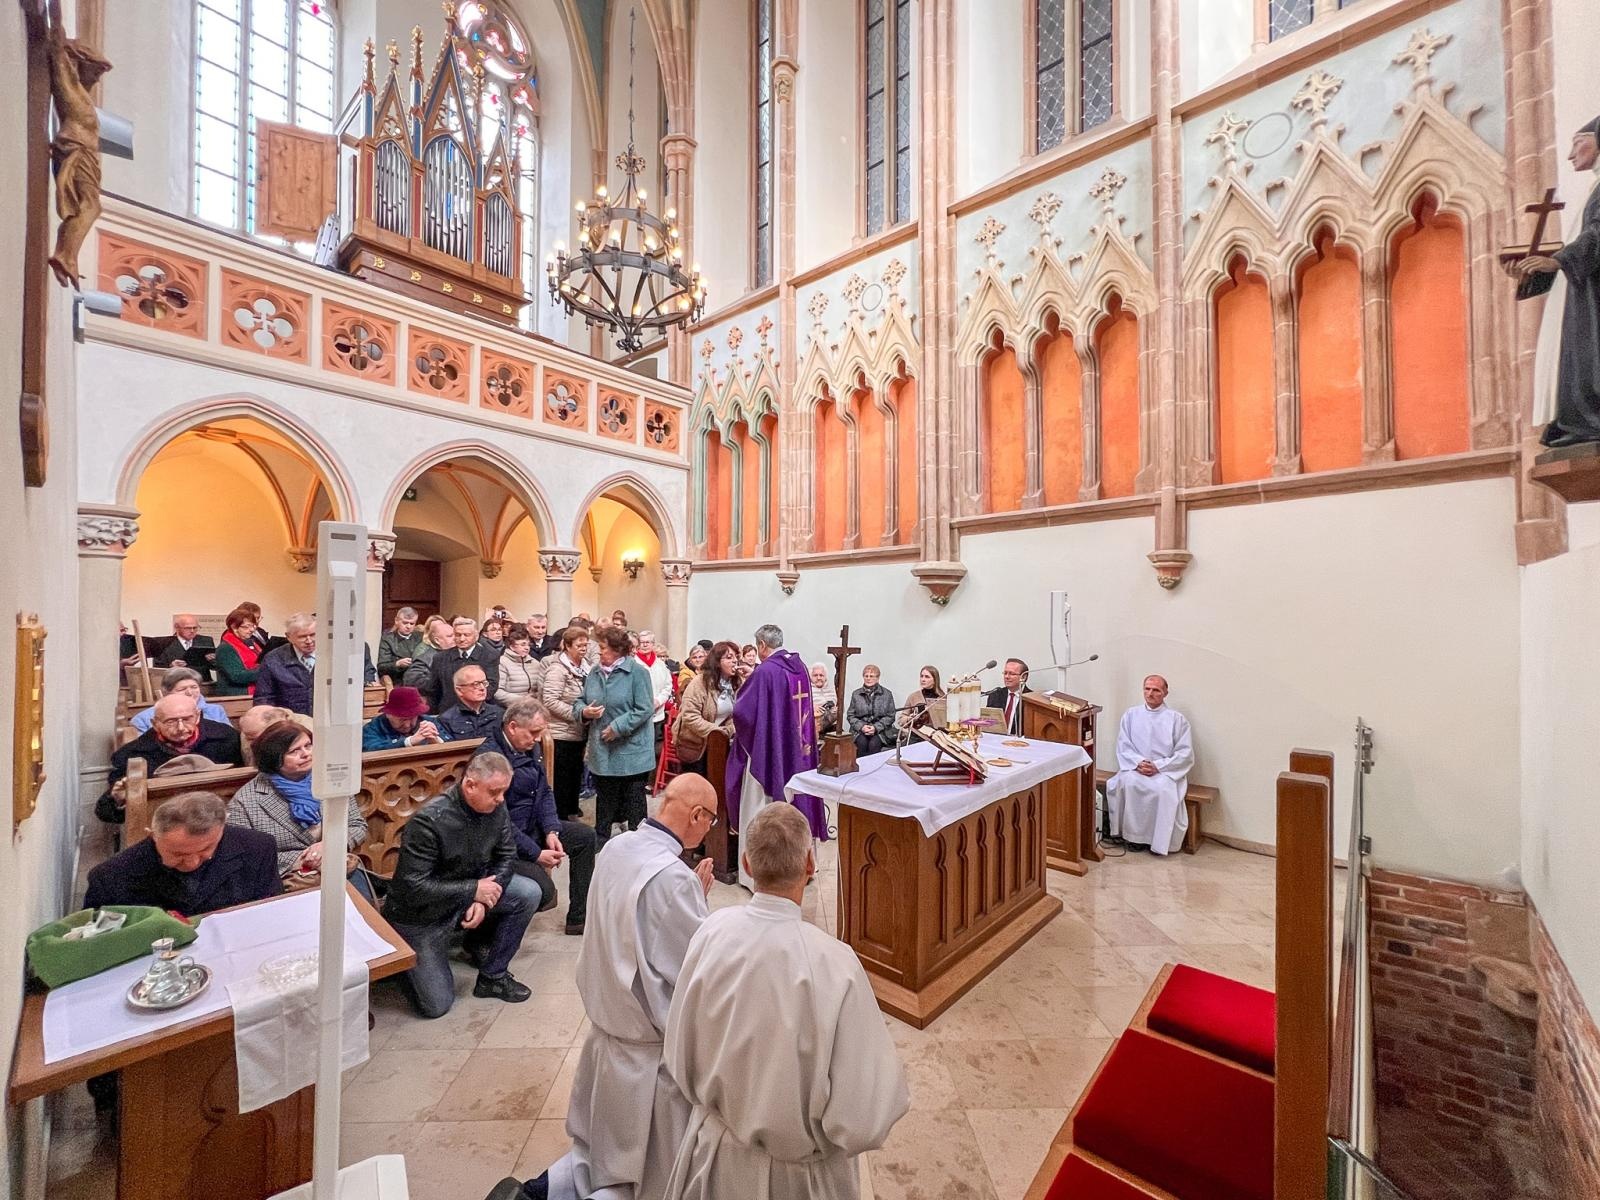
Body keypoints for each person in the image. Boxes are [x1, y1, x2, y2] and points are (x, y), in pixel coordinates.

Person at [660, 803, 910, 1200]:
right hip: (799, 1181)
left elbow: (677, 1049)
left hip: (714, 1158)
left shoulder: (712, 932)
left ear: (747, 862)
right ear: (810, 864)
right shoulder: (835, 963)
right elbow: (867, 1112)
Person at [494, 774, 719, 1200]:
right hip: (649, 1060)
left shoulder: (617, 847)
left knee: (593, 1154)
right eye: (709, 821)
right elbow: (695, 971)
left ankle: (532, 1194)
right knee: (641, 1177)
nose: (707, 829)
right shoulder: (673, 878)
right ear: (695, 815)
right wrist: (698, 901)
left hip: (606, 1035)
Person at [381, 752, 538, 1017]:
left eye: (503, 792)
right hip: (421, 915)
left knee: (528, 892)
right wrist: (473, 890)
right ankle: (402, 965)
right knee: (437, 1006)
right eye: (495, 792)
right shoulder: (428, 821)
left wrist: (480, 897)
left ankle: (493, 976)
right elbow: (413, 886)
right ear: (470, 785)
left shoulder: (495, 807)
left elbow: (507, 856)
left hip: (465, 892)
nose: (501, 799)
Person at [1513, 115, 1600, 448]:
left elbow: (1596, 235)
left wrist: (1559, 259)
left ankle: (1586, 419)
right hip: (1582, 296)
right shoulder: (1594, 188)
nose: (1569, 155)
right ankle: (1578, 420)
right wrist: (1536, 275)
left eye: (1577, 142)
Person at [486, 698, 597, 935]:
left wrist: (552, 830)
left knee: (585, 837)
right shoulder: (490, 759)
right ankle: (482, 939)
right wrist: (536, 854)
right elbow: (499, 822)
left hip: (533, 828)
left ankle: (578, 919)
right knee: (544, 892)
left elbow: (545, 791)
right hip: (503, 843)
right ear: (513, 727)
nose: (537, 739)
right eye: (533, 733)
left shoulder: (528, 746)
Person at [727, 625, 825, 892]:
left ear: (760, 645)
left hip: (771, 753)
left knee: (761, 807)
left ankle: (757, 874)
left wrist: (748, 683)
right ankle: (805, 865)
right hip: (798, 750)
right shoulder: (799, 666)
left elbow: (743, 713)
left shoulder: (766, 671)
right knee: (798, 801)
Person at [227, 722, 372, 896]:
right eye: (294, 751)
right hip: (286, 880)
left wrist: (331, 845)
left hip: (339, 867)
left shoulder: (333, 780)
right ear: (274, 758)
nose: (306, 754)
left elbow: (357, 825)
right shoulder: (246, 801)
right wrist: (305, 858)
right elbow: (244, 856)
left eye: (308, 746)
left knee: (364, 913)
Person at [85, 790, 282, 915]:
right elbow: (102, 943)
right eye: (178, 854)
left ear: (222, 830)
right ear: (152, 835)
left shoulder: (258, 847)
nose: (192, 862)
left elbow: (271, 912)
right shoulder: (109, 877)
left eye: (205, 849)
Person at [98, 694, 244, 824]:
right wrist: (119, 800)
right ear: (155, 723)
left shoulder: (226, 738)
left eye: (187, 719)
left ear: (198, 716)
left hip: (220, 820)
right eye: (171, 721)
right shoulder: (134, 754)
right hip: (167, 826)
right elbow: (105, 813)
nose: (181, 727)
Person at [581, 624, 656, 844]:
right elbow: (582, 700)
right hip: (602, 748)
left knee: (634, 801)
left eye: (603, 647)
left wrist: (618, 727)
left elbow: (644, 708)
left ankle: (639, 844)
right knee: (604, 799)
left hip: (631, 750)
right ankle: (602, 841)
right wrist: (583, 711)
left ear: (617, 650)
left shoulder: (637, 672)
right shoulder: (594, 672)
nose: (600, 652)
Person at [1106, 675, 1195, 855]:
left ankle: (1158, 841)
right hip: (1137, 768)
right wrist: (1139, 763)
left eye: (1156, 690)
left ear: (1165, 693)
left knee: (1163, 790)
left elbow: (1184, 753)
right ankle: (1133, 838)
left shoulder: (1177, 720)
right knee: (1128, 782)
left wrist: (1158, 766)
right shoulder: (1131, 715)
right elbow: (1124, 745)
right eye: (1147, 689)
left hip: (1165, 772)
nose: (1150, 693)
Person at [542, 625, 592, 820]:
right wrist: (578, 713)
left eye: (586, 644)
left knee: (574, 776)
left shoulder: (585, 666)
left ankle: (571, 813)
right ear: (567, 646)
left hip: (578, 731)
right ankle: (560, 818)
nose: (584, 648)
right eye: (579, 645)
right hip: (560, 732)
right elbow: (549, 700)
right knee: (561, 779)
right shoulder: (557, 669)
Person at [674, 640, 740, 778]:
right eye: (729, 658)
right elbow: (690, 716)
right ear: (717, 662)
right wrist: (716, 731)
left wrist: (728, 729)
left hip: (719, 744)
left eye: (736, 657)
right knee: (696, 788)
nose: (735, 661)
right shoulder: (700, 682)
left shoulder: (735, 683)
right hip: (695, 745)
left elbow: (734, 714)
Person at [425, 616, 501, 712]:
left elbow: (491, 686)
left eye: (467, 635)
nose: (462, 639)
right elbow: (434, 690)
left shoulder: (489, 656)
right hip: (448, 712)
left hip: (479, 711)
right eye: (458, 635)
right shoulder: (440, 658)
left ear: (476, 636)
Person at [129, 665, 229, 732]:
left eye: (194, 687)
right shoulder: (143, 719)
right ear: (167, 692)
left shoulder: (216, 711)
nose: (189, 693)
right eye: (182, 689)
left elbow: (229, 738)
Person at [253, 613, 317, 715]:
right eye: (302, 637)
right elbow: (264, 698)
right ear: (289, 637)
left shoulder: (332, 656)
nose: (309, 641)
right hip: (290, 724)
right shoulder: (274, 659)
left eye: (313, 635)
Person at [362, 686, 444, 750]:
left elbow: (451, 742)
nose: (407, 725)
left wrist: (436, 741)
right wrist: (408, 742)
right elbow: (370, 748)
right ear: (388, 714)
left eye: (412, 718)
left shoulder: (429, 722)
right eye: (402, 720)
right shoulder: (373, 728)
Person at [437, 664, 504, 741]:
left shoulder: (499, 713)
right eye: (475, 684)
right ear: (459, 690)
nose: (482, 688)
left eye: (484, 683)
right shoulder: (446, 720)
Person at [636, 630, 674, 763]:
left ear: (653, 644)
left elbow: (667, 686)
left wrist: (658, 701)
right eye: (642, 642)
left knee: (652, 749)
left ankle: (649, 778)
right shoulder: (634, 663)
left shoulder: (660, 664)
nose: (645, 645)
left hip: (657, 713)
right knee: (639, 749)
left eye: (648, 642)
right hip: (639, 714)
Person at [847, 665, 896, 756]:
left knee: (874, 744)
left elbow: (891, 716)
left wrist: (875, 728)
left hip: (881, 731)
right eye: (866, 676)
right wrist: (862, 727)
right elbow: (850, 715)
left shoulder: (887, 694)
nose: (868, 678)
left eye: (872, 676)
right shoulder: (856, 694)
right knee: (862, 743)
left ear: (877, 678)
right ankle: (861, 768)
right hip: (860, 731)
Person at [213, 607, 262, 696]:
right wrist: (265, 670)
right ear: (234, 627)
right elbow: (237, 676)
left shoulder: (251, 643)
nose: (252, 630)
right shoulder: (226, 648)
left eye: (253, 625)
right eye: (246, 627)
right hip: (238, 695)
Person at [402, 615, 454, 695]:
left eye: (455, 635)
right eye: (449, 636)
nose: (454, 639)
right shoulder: (426, 658)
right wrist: (442, 682)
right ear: (437, 640)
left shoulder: (458, 653)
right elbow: (411, 680)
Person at [153, 614, 215, 680]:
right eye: (188, 628)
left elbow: (214, 667)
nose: (192, 631)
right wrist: (171, 667)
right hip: (175, 684)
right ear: (176, 628)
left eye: (195, 628)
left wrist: (213, 660)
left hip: (203, 684)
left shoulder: (206, 641)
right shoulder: (162, 644)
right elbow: (157, 671)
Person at [496, 623, 543, 706]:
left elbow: (541, 688)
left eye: (528, 644)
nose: (527, 648)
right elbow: (498, 692)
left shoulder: (535, 663)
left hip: (533, 706)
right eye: (522, 644)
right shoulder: (502, 662)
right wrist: (523, 700)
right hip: (511, 707)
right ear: (512, 647)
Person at [985, 657, 1032, 736]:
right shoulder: (995, 695)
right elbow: (989, 725)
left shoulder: (1031, 699)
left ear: (1023, 677)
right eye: (1005, 673)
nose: (1007, 676)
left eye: (1012, 674)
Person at [377, 607, 425, 684]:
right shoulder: (388, 639)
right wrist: (397, 664)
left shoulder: (421, 638)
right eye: (405, 623)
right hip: (398, 680)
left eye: (412, 623)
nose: (408, 626)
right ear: (396, 621)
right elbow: (381, 667)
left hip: (420, 679)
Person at [896, 665, 946, 739]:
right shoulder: (913, 696)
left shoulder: (943, 698)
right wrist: (909, 719)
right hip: (917, 735)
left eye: (927, 677)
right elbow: (901, 720)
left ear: (935, 680)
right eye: (921, 676)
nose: (923, 679)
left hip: (936, 736)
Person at [809, 662, 838, 745]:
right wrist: (812, 706)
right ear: (811, 677)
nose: (818, 678)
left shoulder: (830, 687)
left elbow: (834, 700)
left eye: (821, 675)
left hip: (831, 723)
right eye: (815, 675)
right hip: (815, 724)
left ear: (825, 677)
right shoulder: (807, 688)